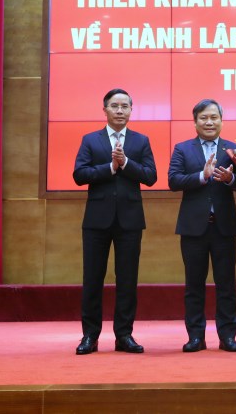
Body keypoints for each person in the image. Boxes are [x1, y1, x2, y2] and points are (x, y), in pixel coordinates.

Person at [72, 88, 157, 355]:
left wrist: (126, 162)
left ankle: (124, 335)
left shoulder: (140, 141)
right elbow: (79, 174)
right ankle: (90, 336)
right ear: (105, 109)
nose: (120, 111)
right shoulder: (91, 140)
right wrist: (109, 168)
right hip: (96, 221)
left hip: (130, 221)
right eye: (115, 106)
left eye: (125, 106)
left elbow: (151, 176)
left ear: (131, 110)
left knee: (127, 280)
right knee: (93, 279)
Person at [168, 99, 236, 353]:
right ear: (195, 122)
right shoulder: (183, 149)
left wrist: (230, 178)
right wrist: (202, 176)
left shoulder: (233, 149)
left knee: (227, 284)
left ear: (221, 120)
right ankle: (195, 337)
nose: (209, 122)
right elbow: (173, 180)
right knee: (194, 285)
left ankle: (227, 336)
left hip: (223, 227)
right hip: (193, 228)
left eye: (214, 117)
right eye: (204, 118)